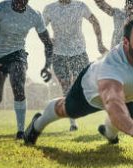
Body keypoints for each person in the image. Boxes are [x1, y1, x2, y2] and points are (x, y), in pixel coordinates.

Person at [23, 17, 133, 145]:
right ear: (126, 43)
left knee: (132, 110)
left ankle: (109, 132)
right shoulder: (112, 66)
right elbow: (112, 102)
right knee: (68, 110)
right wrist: (132, 128)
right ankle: (37, 123)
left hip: (126, 95)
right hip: (91, 90)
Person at [0, 0, 54, 139]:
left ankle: (20, 131)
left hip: (17, 53)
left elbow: (48, 43)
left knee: (18, 82)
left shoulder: (34, 15)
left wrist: (47, 66)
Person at [43, 0, 108, 131]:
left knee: (87, 85)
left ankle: (110, 114)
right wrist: (47, 39)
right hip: (59, 54)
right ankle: (73, 123)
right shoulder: (50, 8)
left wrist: (100, 43)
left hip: (78, 53)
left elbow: (94, 21)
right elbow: (41, 29)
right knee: (66, 88)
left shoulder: (80, 6)